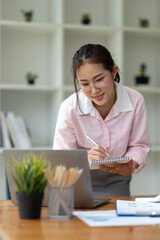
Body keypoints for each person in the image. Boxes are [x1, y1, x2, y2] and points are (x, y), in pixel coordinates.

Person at [53, 43, 150, 196]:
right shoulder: (69, 108)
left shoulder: (135, 100)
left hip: (118, 183)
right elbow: (62, 160)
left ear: (113, 71)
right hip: (78, 184)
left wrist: (131, 163)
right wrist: (87, 159)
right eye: (84, 84)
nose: (94, 90)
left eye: (99, 79)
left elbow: (139, 145)